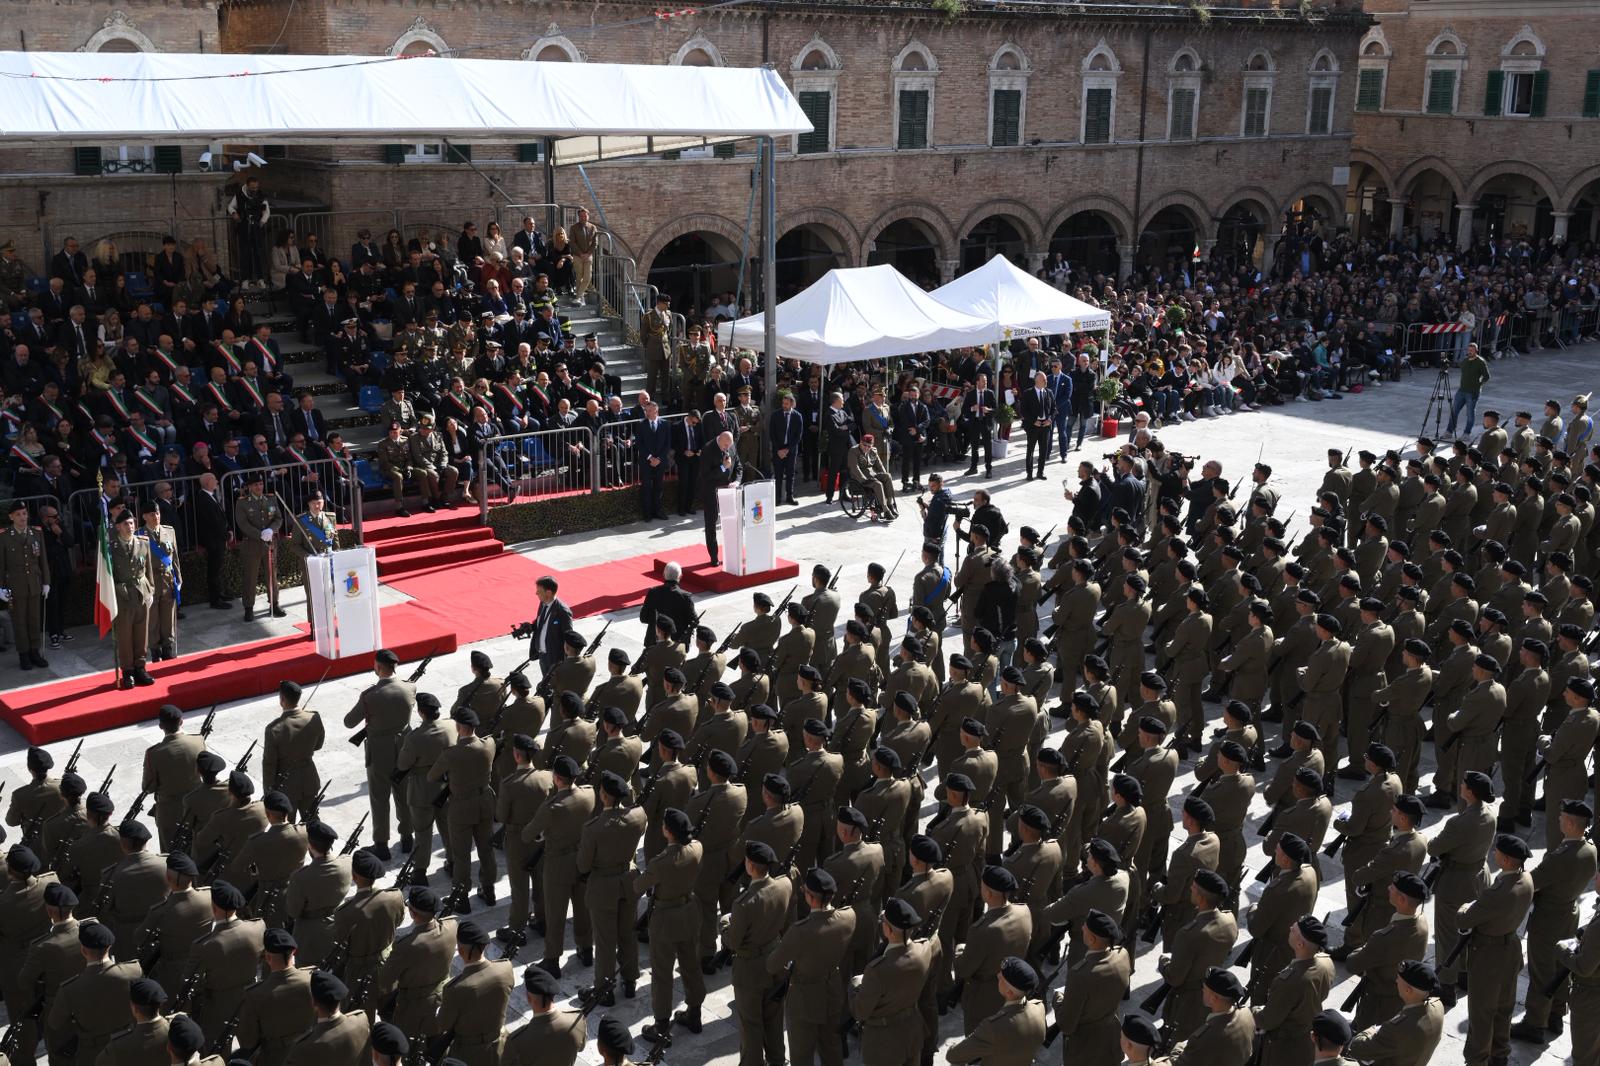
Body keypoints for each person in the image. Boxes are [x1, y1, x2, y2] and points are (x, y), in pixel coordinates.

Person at [107, 509, 156, 688]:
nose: (130, 527)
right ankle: (127, 671)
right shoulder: (110, 547)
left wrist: (150, 590)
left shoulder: (143, 542)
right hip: (122, 595)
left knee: (141, 632)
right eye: (126, 524)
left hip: (141, 593)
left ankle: (140, 667)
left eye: (132, 523)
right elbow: (108, 577)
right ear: (118, 527)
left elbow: (148, 568)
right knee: (125, 635)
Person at [0, 497, 49, 670]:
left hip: (34, 583)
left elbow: (43, 560)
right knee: (19, 621)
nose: (23, 517)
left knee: (34, 619)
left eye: (24, 513)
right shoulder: (4, 537)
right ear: (11, 517)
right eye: (18, 514)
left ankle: (35, 652)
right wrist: (0, 588)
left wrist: (46, 582)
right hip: (15, 585)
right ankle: (24, 655)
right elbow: (1, 564)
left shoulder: (36, 533)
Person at [234, 471, 285, 621]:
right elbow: (242, 523)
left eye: (261, 484)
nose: (259, 487)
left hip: (270, 543)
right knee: (250, 576)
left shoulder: (271, 499)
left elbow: (278, 518)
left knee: (272, 575)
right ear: (249, 487)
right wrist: (260, 533)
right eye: (255, 484)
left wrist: (272, 529)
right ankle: (248, 607)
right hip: (252, 544)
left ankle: (274, 604)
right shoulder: (243, 502)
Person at [702, 429, 742, 567]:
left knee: (731, 522)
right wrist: (723, 468)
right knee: (711, 524)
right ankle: (713, 556)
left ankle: (732, 553)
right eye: (725, 446)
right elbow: (705, 476)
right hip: (711, 491)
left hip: (729, 491)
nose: (727, 448)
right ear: (719, 440)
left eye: (729, 446)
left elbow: (739, 467)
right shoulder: (708, 449)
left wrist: (736, 481)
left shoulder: (731, 445)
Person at [849, 433, 899, 521]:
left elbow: (879, 465)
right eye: (864, 445)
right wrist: (863, 479)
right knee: (878, 484)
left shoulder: (873, 450)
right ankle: (885, 510)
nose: (866, 448)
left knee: (888, 476)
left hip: (872, 474)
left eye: (869, 446)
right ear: (860, 442)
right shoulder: (853, 451)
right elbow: (854, 468)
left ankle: (890, 504)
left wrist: (884, 475)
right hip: (859, 478)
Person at [531, 575, 574, 676]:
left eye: (539, 591)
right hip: (543, 655)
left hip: (555, 659)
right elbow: (541, 623)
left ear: (548, 593)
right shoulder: (543, 603)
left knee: (555, 687)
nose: (536, 593)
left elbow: (568, 637)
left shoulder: (562, 611)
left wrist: (567, 661)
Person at [1445, 343, 1490, 436]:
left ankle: (1466, 433)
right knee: (1454, 411)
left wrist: (1478, 385)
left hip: (1473, 392)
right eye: (1468, 350)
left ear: (1476, 351)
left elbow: (1487, 376)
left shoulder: (1480, 362)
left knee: (1470, 414)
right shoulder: (1465, 361)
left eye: (1472, 350)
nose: (1469, 352)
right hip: (1461, 390)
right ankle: (1449, 431)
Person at [1020, 370, 1057, 481]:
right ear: (1037, 380)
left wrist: (1050, 419)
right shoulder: (1028, 393)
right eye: (1044, 379)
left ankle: (1040, 472)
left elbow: (1054, 409)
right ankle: (1029, 473)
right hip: (1033, 426)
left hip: (1045, 426)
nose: (1046, 381)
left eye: (1046, 379)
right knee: (1030, 450)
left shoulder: (1049, 392)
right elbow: (1023, 410)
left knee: (1043, 450)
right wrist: (1033, 421)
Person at [770, 390, 804, 505]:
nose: (784, 405)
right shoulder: (775, 415)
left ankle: (790, 496)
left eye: (786, 404)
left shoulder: (797, 416)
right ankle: (777, 498)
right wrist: (779, 450)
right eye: (783, 403)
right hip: (778, 450)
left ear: (792, 404)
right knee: (778, 474)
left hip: (791, 450)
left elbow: (798, 436)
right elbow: (772, 434)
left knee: (790, 474)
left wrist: (787, 449)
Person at [962, 374, 998, 478]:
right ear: (977, 382)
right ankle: (973, 468)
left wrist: (989, 410)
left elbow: (996, 410)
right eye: (983, 380)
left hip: (986, 422)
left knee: (988, 447)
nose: (986, 382)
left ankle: (988, 469)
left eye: (986, 380)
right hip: (975, 422)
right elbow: (964, 410)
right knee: (974, 446)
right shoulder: (971, 394)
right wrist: (972, 409)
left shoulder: (990, 393)